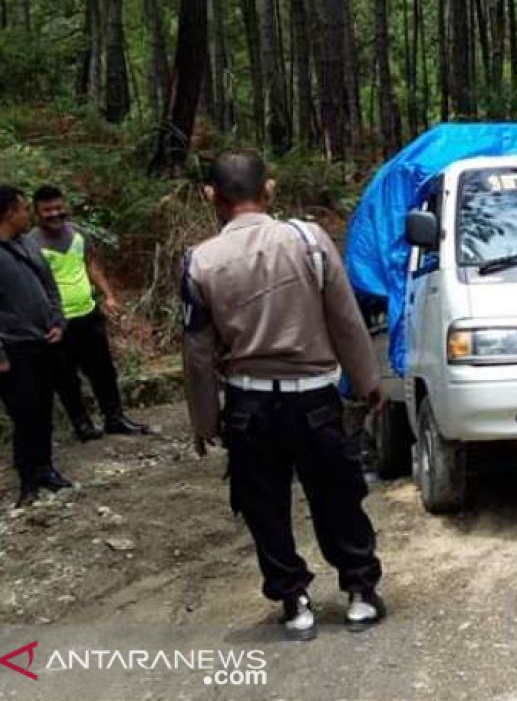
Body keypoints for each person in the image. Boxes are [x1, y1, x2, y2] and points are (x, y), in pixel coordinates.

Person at [182, 151, 386, 641]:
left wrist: (204, 420)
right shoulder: (309, 240)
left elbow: (197, 352)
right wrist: (367, 381)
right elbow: (345, 321)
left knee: (263, 506)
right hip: (314, 398)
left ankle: (293, 600)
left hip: (249, 408)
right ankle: (359, 590)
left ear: (212, 196)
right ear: (268, 189)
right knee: (338, 496)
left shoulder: (200, 261)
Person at [30, 186, 147, 440]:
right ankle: (81, 424)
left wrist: (109, 295)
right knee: (66, 377)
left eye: (58, 207)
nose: (54, 214)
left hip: (88, 314)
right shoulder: (31, 244)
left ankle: (114, 417)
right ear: (36, 212)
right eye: (47, 210)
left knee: (103, 370)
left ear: (65, 206)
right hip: (57, 322)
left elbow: (92, 265)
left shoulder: (78, 234)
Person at [0, 186, 73, 508]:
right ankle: (28, 479)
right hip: (14, 349)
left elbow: (49, 285)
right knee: (25, 414)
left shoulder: (28, 244)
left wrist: (58, 322)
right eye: (22, 209)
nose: (27, 214)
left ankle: (46, 469)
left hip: (44, 341)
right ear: (8, 213)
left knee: (44, 410)